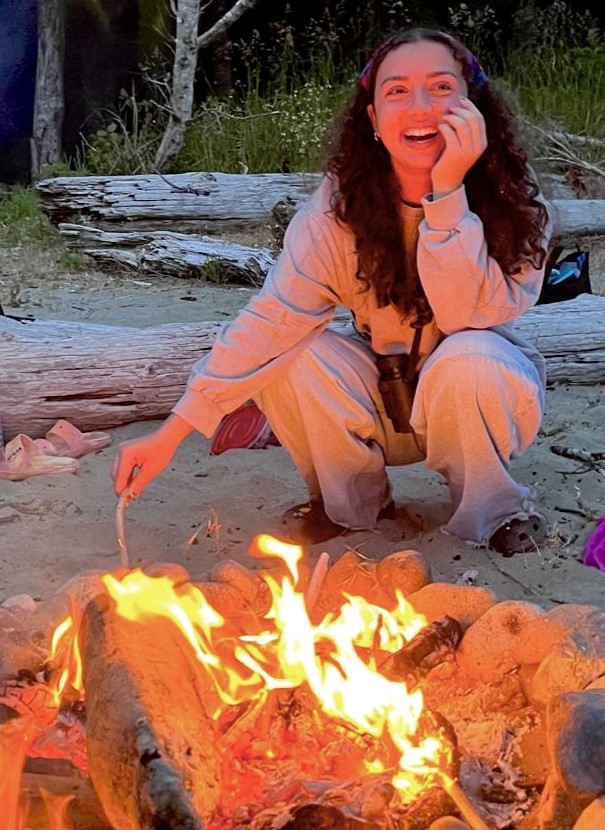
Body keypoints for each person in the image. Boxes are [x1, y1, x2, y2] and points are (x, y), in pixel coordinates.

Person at [112, 27, 552, 556]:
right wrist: (171, 432)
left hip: (477, 399)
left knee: (471, 356)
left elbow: (467, 315)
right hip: (378, 393)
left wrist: (448, 191)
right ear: (372, 119)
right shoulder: (334, 212)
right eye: (396, 91)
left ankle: (491, 511)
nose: (420, 107)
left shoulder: (516, 204)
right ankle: (351, 508)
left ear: (473, 108)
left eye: (441, 88)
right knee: (291, 353)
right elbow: (270, 322)